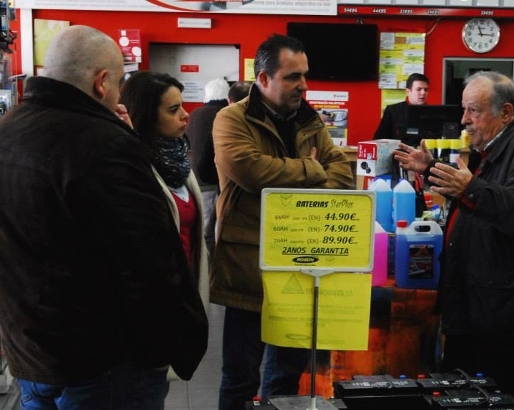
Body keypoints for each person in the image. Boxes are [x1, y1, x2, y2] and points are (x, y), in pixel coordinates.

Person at [0, 25, 208, 409]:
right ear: (102, 82)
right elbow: (149, 261)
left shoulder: (5, 131)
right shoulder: (105, 144)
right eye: (118, 84)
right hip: (104, 362)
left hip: (31, 350)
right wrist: (164, 349)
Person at [394, 71, 514, 409]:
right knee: (467, 395)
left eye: (473, 111)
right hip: (480, 305)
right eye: (464, 110)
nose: (464, 120)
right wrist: (430, 170)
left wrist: (470, 187)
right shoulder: (495, 148)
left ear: (506, 112)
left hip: (501, 316)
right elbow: (483, 198)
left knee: (501, 397)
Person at [211, 34, 353, 410]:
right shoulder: (231, 119)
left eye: (304, 75)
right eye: (292, 77)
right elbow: (250, 170)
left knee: (288, 376)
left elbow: (343, 175)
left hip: (300, 262)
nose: (303, 85)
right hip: (248, 264)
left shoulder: (310, 119)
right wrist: (312, 169)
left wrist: (305, 175)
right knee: (241, 377)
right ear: (263, 79)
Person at [119, 70, 210, 315]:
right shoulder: (132, 168)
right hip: (151, 302)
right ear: (147, 116)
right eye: (173, 110)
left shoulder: (179, 163)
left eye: (181, 106)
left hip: (185, 293)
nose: (185, 115)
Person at [185, 78, 230, 261]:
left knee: (201, 231)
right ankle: (210, 272)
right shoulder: (224, 116)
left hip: (194, 181)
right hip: (213, 182)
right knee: (212, 233)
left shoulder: (195, 114)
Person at [373, 72, 429, 142]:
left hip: (425, 152)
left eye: (426, 90)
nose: (423, 93)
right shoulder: (392, 111)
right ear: (408, 92)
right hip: (398, 151)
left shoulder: (433, 113)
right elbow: (379, 140)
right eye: (419, 89)